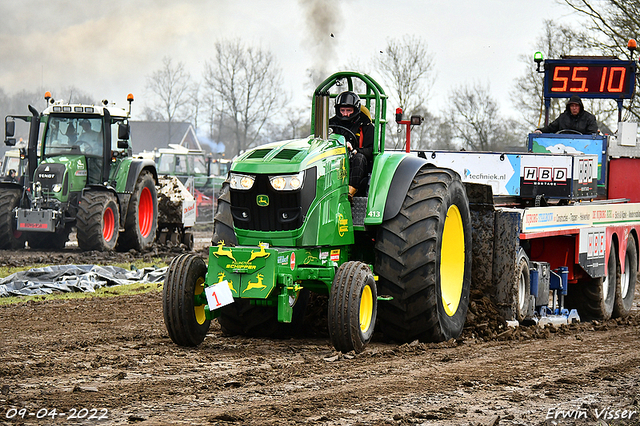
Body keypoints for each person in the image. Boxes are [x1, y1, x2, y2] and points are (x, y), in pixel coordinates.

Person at [328, 91, 374, 199]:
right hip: (334, 157)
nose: (345, 114)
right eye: (342, 110)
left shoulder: (366, 126)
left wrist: (355, 150)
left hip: (357, 163)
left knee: (360, 158)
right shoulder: (330, 124)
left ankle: (350, 192)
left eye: (349, 110)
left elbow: (371, 150)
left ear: (356, 110)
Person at [534, 95, 598, 134]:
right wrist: (540, 130)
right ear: (569, 107)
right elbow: (551, 127)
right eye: (572, 106)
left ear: (580, 107)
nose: (574, 108)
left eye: (576, 106)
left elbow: (592, 135)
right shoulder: (563, 117)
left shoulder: (589, 118)